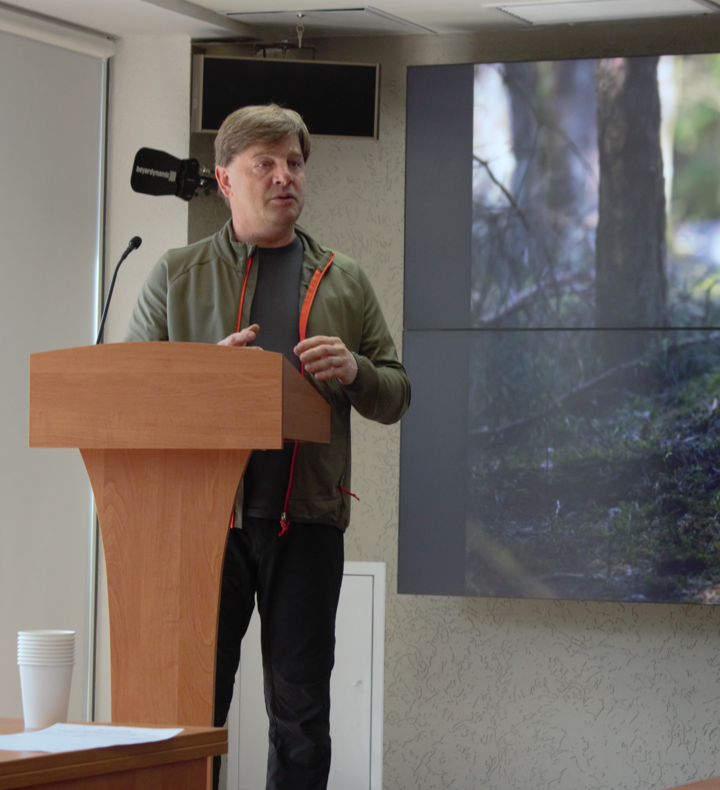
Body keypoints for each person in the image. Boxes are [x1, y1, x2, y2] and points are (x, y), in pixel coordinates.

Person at [124, 104, 410, 790]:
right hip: (204, 525)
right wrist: (206, 376)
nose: (286, 176)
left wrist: (356, 371)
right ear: (225, 179)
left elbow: (396, 393)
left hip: (306, 523)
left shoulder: (344, 278)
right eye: (266, 164)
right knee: (193, 713)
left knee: (301, 718)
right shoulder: (175, 273)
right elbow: (131, 396)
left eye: (295, 163)